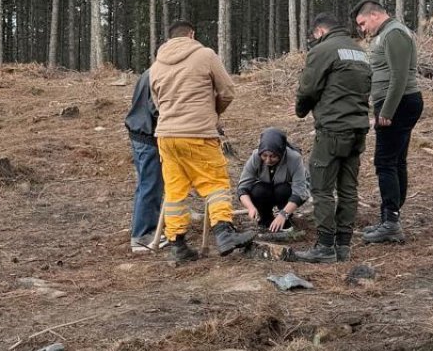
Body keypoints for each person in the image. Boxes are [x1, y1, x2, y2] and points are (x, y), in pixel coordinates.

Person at [148, 20, 255, 262]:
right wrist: (214, 113)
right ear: (192, 34)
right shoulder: (205, 55)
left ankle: (177, 245)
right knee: (215, 183)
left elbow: (157, 103)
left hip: (166, 136)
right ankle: (225, 234)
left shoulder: (156, 66)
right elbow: (227, 90)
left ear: (169, 38)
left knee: (175, 191)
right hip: (198, 133)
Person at [289, 13, 371, 263]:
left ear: (319, 32)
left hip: (333, 129)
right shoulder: (359, 51)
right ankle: (343, 245)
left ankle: (325, 247)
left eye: (314, 36)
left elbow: (308, 88)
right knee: (348, 189)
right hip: (358, 127)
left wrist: (301, 110)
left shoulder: (323, 50)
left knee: (322, 188)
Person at [351, 0, 424, 244]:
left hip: (400, 104)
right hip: (394, 104)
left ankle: (391, 222)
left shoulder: (394, 34)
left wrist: (388, 111)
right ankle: (390, 218)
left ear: (374, 15)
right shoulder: (385, 35)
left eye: (362, 23)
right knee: (395, 161)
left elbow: (400, 76)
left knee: (385, 162)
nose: (362, 29)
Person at [236, 128, 308, 240]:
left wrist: (283, 214)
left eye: (273, 156)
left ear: (281, 152)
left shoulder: (294, 158)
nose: (268, 160)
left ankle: (285, 221)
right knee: (258, 190)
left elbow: (300, 192)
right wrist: (250, 207)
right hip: (267, 191)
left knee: (282, 190)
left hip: (287, 194)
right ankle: (266, 219)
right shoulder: (255, 156)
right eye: (264, 156)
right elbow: (242, 187)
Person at [125, 69, 163, 253]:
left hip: (139, 133)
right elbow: (156, 108)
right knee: (150, 185)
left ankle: (142, 228)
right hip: (147, 135)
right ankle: (142, 236)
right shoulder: (157, 74)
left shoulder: (149, 72)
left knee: (145, 185)